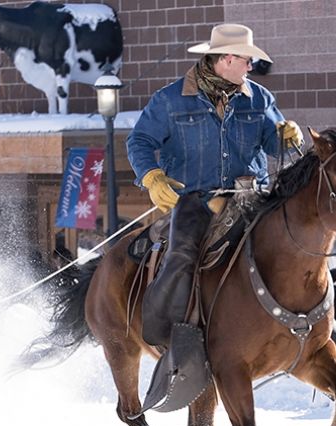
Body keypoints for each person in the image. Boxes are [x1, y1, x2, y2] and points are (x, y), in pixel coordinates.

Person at [126, 23, 303, 350]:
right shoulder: (169, 100)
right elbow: (139, 141)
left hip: (252, 199)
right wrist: (151, 176)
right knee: (182, 257)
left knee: (291, 243)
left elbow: (274, 143)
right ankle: (171, 337)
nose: (250, 67)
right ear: (226, 59)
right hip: (196, 203)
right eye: (247, 60)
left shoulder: (260, 98)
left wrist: (288, 137)